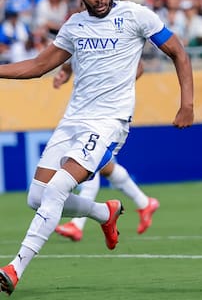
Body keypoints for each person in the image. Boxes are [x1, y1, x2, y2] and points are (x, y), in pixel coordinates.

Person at [0, 0, 194, 296]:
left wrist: (187, 103)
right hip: (72, 120)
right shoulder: (74, 25)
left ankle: (15, 268)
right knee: (36, 197)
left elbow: (178, 52)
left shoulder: (136, 16)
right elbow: (37, 65)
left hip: (110, 122)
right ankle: (105, 212)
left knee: (59, 187)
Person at [52, 61, 160, 241]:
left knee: (87, 162)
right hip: (87, 112)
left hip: (107, 114)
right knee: (103, 166)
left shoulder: (118, 37)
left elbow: (139, 66)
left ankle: (76, 224)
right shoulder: (84, 36)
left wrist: (115, 89)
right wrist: (64, 71)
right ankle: (144, 202)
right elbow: (77, 53)